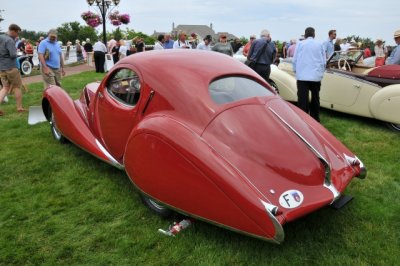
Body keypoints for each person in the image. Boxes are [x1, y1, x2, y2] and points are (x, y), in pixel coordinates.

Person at [292, 27, 326, 122]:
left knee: (303, 99)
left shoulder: (300, 44)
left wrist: (295, 71)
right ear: (314, 34)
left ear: (305, 35)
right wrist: (321, 72)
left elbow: (295, 60)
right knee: (315, 98)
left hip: (302, 76)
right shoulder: (320, 44)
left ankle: (303, 119)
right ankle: (315, 118)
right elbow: (324, 61)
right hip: (315, 76)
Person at [0, 24, 25, 116]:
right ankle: (19, 107)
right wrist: (16, 51)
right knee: (17, 87)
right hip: (11, 67)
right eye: (17, 33)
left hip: (2, 67)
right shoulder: (9, 40)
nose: (17, 35)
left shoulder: (1, 37)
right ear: (13, 31)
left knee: (5, 88)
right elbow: (13, 55)